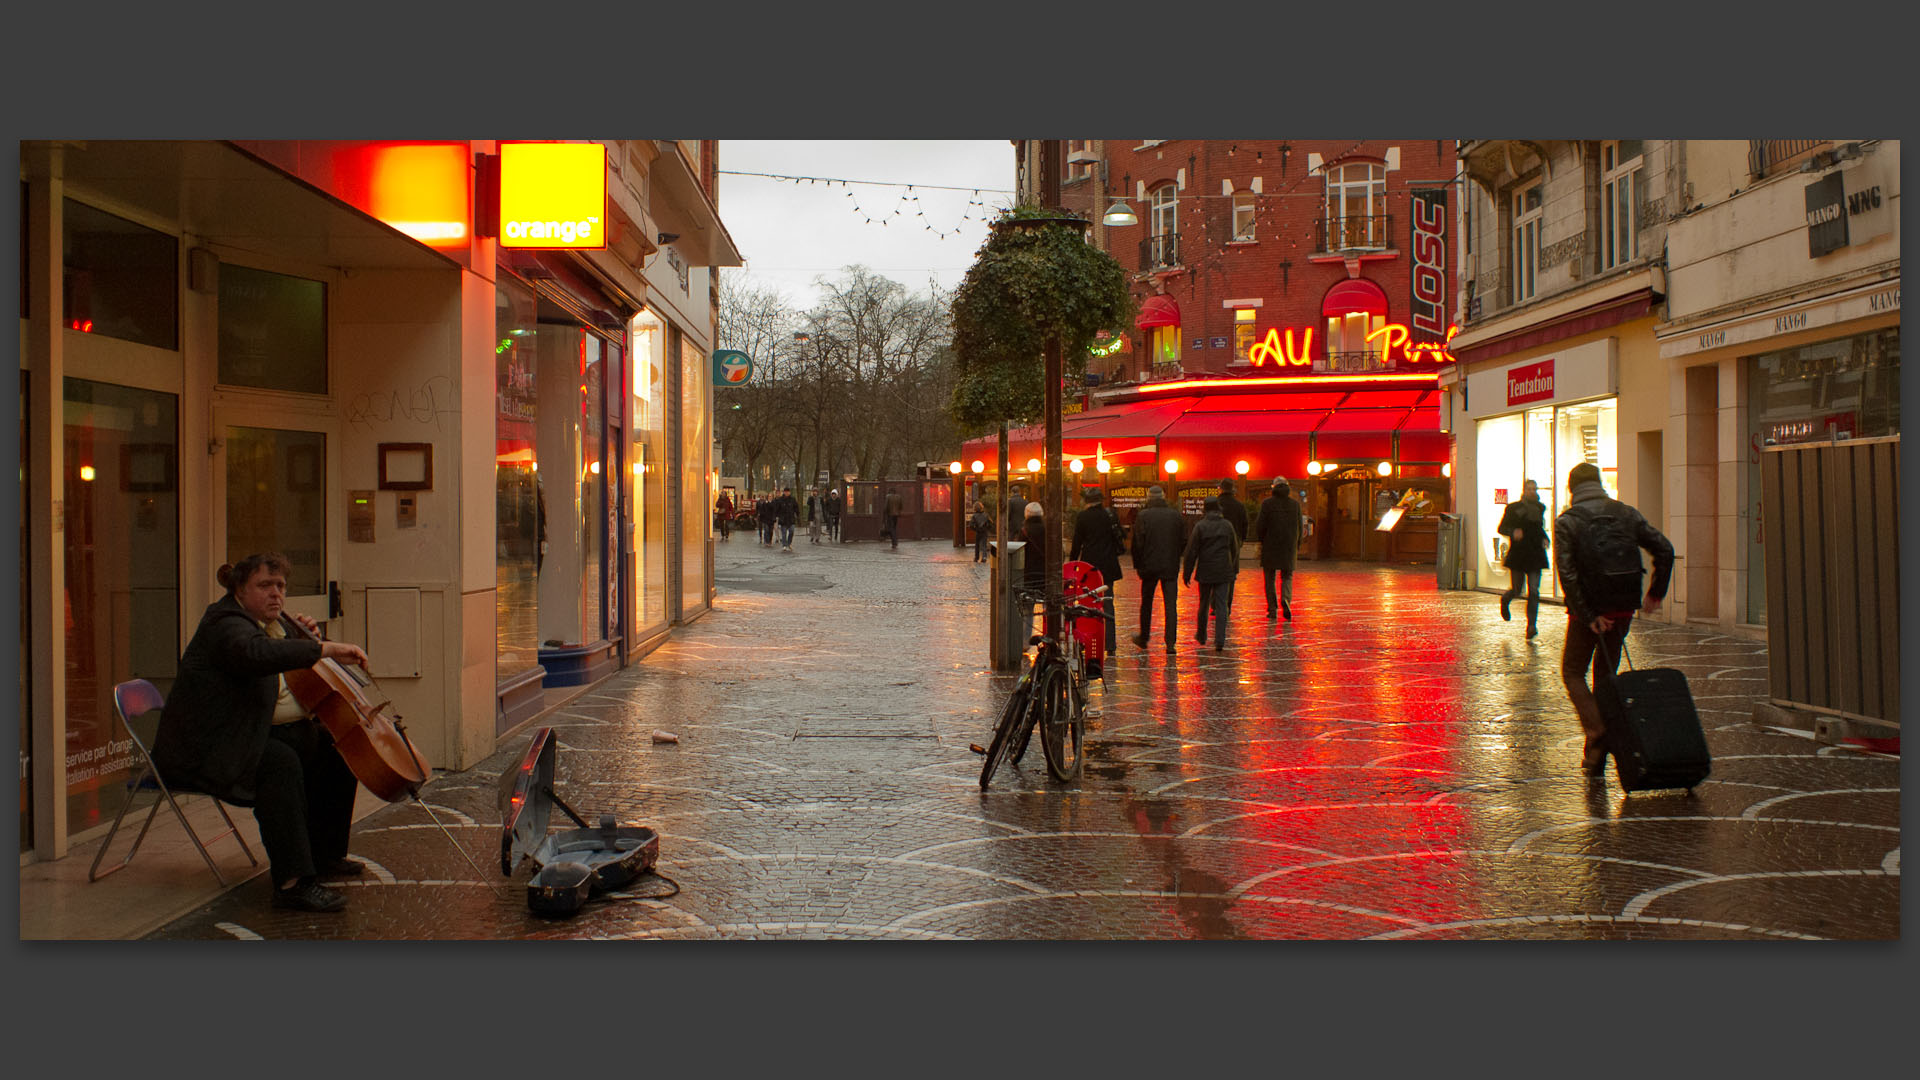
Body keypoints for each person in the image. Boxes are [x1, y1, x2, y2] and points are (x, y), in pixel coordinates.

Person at [151, 553, 372, 913]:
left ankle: (324, 854)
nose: (275, 594)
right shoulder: (225, 623)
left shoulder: (270, 625)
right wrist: (323, 648)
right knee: (279, 764)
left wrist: (304, 637)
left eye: (280, 586)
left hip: (249, 735)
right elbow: (256, 654)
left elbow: (279, 659)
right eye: (264, 585)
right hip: (211, 749)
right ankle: (293, 883)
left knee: (337, 746)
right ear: (240, 589)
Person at [1554, 461, 1675, 776]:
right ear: (1599, 483)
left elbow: (1567, 574)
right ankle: (1595, 760)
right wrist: (1655, 593)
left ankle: (1596, 731)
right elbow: (1664, 549)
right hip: (1622, 609)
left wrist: (1588, 615)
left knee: (1572, 671)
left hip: (1589, 612)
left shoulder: (1568, 522)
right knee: (1605, 678)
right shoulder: (1627, 513)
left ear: (1572, 489)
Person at [1068, 486, 1125, 655]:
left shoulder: (1083, 517)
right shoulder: (1110, 515)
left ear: (1087, 501)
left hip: (1089, 566)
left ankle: (1088, 639)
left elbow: (1077, 542)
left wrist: (1073, 563)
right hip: (1108, 564)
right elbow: (1120, 535)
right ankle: (1110, 644)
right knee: (1108, 603)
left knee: (1088, 602)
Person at [1128, 485, 1184, 654]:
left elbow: (1137, 543)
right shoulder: (1175, 516)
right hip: (1170, 565)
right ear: (1164, 496)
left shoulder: (1143, 516)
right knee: (1170, 605)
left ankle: (1144, 637)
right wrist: (1175, 556)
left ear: (1148, 498)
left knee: (1147, 603)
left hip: (1149, 565)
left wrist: (1138, 565)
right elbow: (1183, 539)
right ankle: (1170, 643)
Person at [1181, 495, 1240, 652]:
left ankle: (1201, 635)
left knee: (1204, 603)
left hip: (1205, 569)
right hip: (1223, 570)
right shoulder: (1227, 525)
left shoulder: (1200, 526)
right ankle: (1220, 640)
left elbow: (1191, 551)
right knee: (1221, 606)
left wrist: (1187, 572)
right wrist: (1232, 566)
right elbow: (1234, 548)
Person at [1497, 478, 1551, 639]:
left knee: (1534, 591)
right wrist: (1513, 532)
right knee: (1517, 589)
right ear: (1524, 491)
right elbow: (1502, 528)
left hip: (1535, 553)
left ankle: (1531, 626)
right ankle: (1506, 601)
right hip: (1519, 554)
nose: (1532, 492)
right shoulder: (1514, 508)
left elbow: (1538, 528)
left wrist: (1544, 538)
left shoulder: (1540, 508)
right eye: (1529, 489)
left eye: (1535, 489)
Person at [1253, 478, 1305, 621]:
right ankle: (1286, 599)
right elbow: (1300, 527)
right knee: (1287, 576)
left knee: (1269, 578)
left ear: (1273, 487)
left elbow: (1260, 526)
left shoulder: (1267, 504)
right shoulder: (1295, 505)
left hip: (1270, 545)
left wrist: (1262, 541)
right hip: (1289, 546)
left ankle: (1272, 608)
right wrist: (1297, 544)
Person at [774, 487, 798, 552]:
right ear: (784, 492)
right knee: (784, 533)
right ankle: (784, 545)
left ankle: (789, 543)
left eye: (788, 491)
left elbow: (796, 508)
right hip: (783, 519)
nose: (787, 493)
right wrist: (776, 516)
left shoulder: (793, 499)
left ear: (789, 492)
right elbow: (777, 509)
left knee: (791, 531)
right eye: (785, 491)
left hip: (791, 519)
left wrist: (797, 514)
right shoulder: (780, 500)